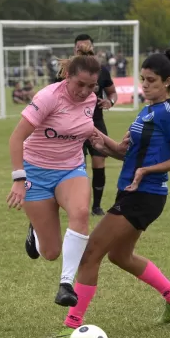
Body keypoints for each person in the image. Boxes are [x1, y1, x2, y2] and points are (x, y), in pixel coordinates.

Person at [56, 49, 170, 337]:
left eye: (151, 80)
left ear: (167, 82)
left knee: (89, 254)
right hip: (131, 191)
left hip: (145, 194)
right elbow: (125, 153)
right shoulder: (145, 112)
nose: (144, 85)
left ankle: (72, 323)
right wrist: (98, 136)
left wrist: (147, 171)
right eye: (142, 79)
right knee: (120, 256)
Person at [7, 44, 102, 307]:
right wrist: (18, 179)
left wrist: (113, 146)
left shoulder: (91, 101)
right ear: (68, 76)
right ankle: (35, 231)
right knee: (50, 252)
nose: (85, 92)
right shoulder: (48, 97)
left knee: (81, 213)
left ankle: (66, 285)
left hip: (71, 168)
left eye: (91, 87)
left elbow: (85, 128)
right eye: (80, 84)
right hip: (35, 171)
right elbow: (16, 138)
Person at [57, 34, 118, 216]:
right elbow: (55, 95)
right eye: (79, 47)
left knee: (99, 163)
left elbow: (112, 93)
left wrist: (110, 102)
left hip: (96, 123)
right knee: (78, 166)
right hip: (73, 125)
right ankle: (75, 204)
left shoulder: (101, 71)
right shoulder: (66, 72)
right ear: (74, 49)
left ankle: (96, 206)